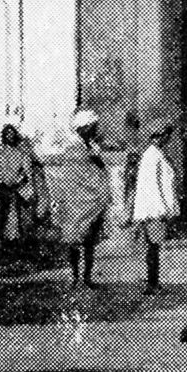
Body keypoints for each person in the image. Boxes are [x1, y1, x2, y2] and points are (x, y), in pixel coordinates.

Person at [125, 111, 181, 292]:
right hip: (153, 209)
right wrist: (162, 209)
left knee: (154, 246)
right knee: (152, 246)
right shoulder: (152, 155)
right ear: (161, 135)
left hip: (155, 209)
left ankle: (153, 282)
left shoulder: (156, 154)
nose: (168, 139)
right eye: (167, 135)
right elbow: (151, 186)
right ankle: (152, 283)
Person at [62, 109, 111, 292]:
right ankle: (75, 277)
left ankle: (87, 278)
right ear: (83, 128)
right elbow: (73, 175)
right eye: (92, 127)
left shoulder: (91, 146)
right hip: (76, 202)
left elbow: (99, 169)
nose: (95, 129)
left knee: (90, 242)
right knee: (74, 241)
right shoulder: (73, 147)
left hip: (92, 202)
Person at [0, 115, 41, 246]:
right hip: (4, 186)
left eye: (12, 133)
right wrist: (2, 181)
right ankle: (1, 240)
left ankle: (19, 241)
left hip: (18, 187)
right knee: (2, 213)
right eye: (7, 134)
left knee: (19, 213)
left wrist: (21, 180)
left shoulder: (20, 150)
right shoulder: (0, 150)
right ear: (4, 135)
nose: (10, 136)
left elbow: (26, 168)